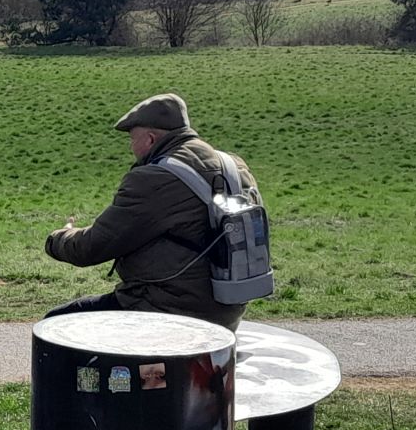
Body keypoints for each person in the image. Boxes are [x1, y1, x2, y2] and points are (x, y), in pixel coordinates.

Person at [43, 92, 260, 332]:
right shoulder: (233, 165)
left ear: (149, 139)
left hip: (168, 308)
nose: (130, 148)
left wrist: (58, 238)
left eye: (132, 139)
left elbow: (92, 247)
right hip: (227, 309)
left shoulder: (154, 178)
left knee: (55, 325)